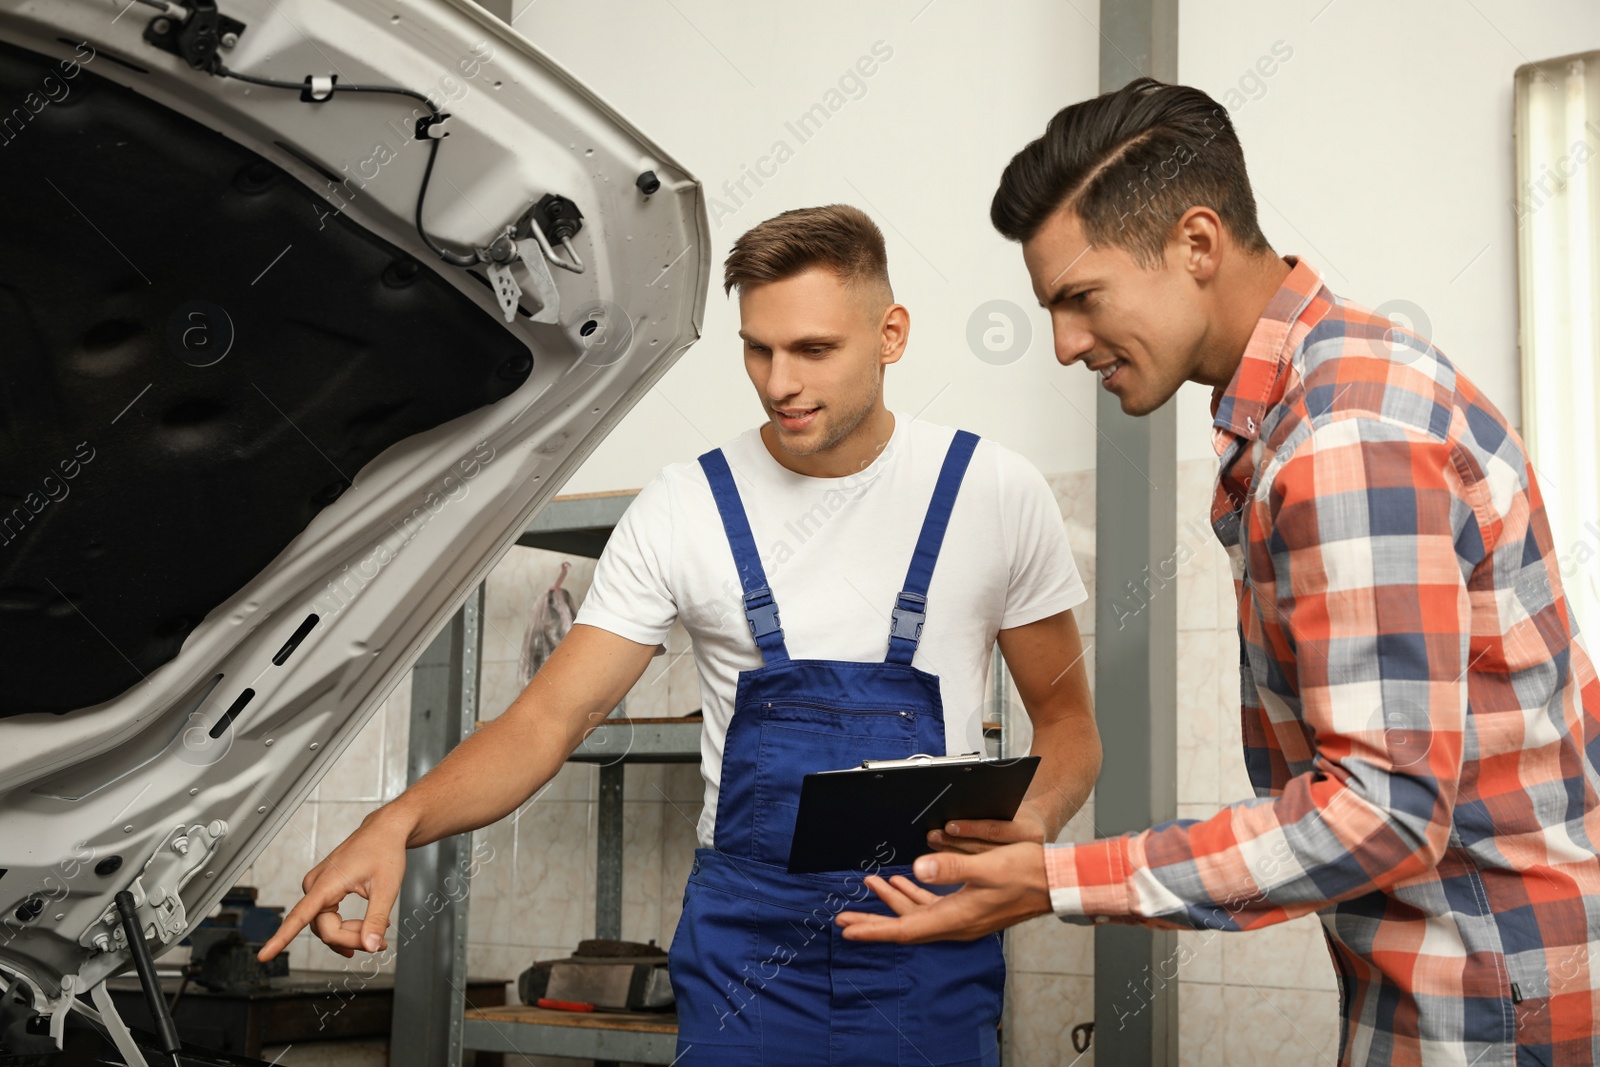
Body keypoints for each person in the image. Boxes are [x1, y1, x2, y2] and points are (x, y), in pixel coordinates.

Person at [837, 79, 1600, 1067]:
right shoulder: (1333, 390)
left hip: (1487, 995)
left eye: (1080, 298)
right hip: (1481, 967)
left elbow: (1383, 812)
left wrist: (1056, 879)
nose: (1065, 344)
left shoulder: (1339, 439)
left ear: (1196, 245)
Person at [258, 204, 1102, 1067]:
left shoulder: (993, 491)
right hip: (748, 958)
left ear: (891, 334)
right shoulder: (685, 503)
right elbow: (547, 723)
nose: (780, 383)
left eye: (814, 349)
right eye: (757, 348)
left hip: (933, 931)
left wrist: (1031, 820)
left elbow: (1067, 722)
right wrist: (397, 820)